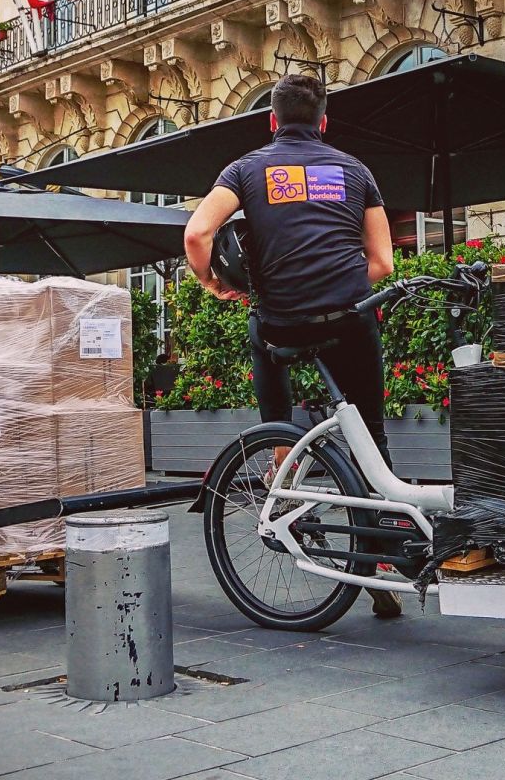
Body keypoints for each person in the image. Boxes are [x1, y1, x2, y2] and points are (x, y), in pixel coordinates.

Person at [184, 73, 401, 616]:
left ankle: (283, 465)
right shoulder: (355, 170)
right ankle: (379, 562)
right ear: (324, 122)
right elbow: (383, 264)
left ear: (272, 121)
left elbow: (196, 235)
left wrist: (214, 284)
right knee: (369, 431)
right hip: (348, 319)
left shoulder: (246, 168)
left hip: (281, 323)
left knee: (270, 368)